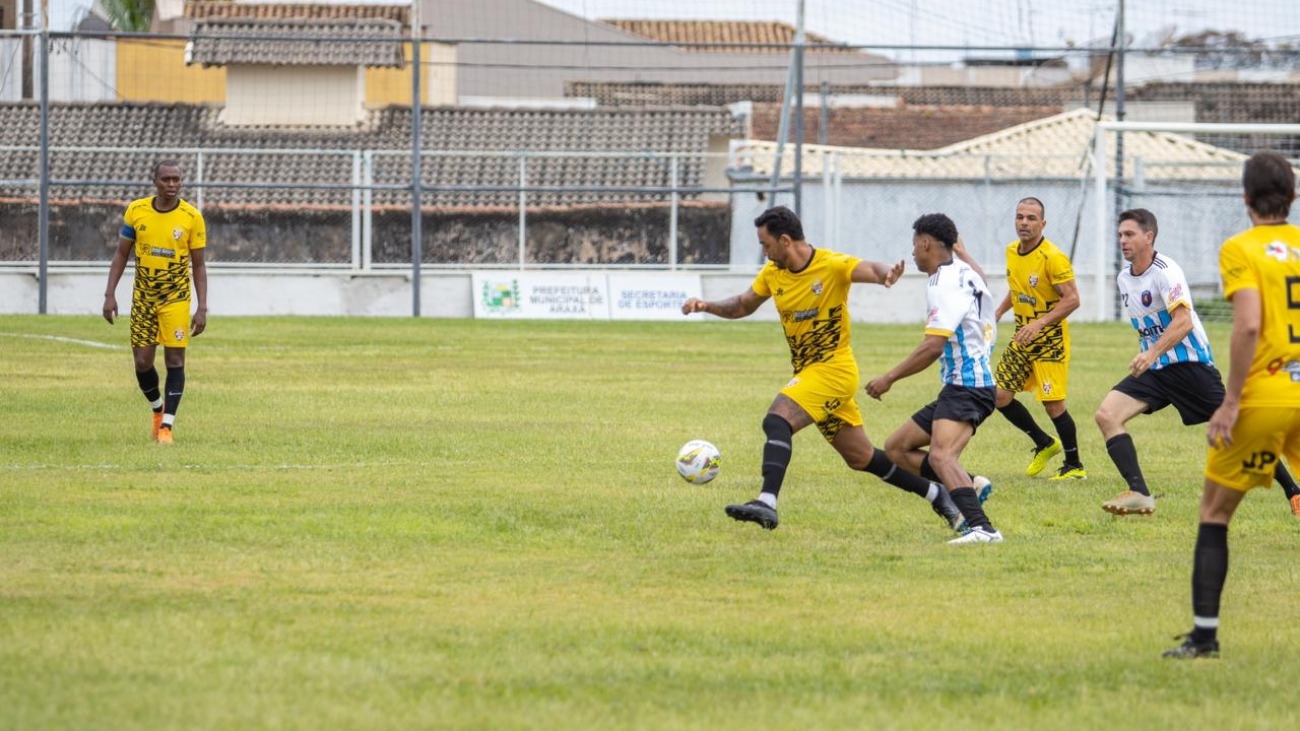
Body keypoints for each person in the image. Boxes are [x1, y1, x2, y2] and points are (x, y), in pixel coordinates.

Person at [680, 205, 968, 532]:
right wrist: (706, 306)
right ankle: (936, 494)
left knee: (777, 420)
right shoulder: (773, 274)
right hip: (810, 374)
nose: (764, 252)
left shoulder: (830, 265)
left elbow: (869, 268)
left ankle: (766, 502)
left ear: (785, 240)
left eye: (766, 244)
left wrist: (885, 273)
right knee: (861, 457)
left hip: (833, 370)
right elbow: (743, 305)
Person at [1164, 151, 1300, 660]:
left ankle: (1204, 636)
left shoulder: (1241, 249)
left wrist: (1232, 401)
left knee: (1215, 513)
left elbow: (1246, 324)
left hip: (1266, 395)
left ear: (1245, 199)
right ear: (1293, 195)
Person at [1095, 208, 1300, 517]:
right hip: (1157, 372)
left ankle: (1294, 492)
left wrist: (1150, 354)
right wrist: (1151, 356)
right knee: (1107, 415)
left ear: (1148, 237)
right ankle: (1140, 493)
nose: (1122, 240)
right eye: (1120, 235)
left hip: (1190, 368)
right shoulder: (1125, 278)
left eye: (1129, 234)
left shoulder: (1166, 271)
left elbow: (1183, 322)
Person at [867, 213, 1003, 544]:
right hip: (961, 385)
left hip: (968, 386)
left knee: (942, 457)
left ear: (927, 244)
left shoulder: (942, 283)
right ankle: (970, 483)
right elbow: (981, 278)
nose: (913, 252)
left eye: (915, 245)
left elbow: (932, 347)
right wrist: (963, 250)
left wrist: (889, 378)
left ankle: (983, 529)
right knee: (897, 448)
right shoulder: (964, 271)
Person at [102, 160, 208, 445]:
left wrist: (202, 307)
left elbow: (198, 265)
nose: (172, 185)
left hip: (176, 298)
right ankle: (157, 411)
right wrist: (109, 293)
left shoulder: (191, 216)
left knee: (175, 360)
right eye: (166, 179)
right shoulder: (136, 211)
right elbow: (122, 254)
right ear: (155, 181)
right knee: (142, 362)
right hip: (144, 299)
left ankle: (167, 428)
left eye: (176, 179)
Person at [992, 197, 1086, 480]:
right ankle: (1044, 443)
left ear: (1042, 224)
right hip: (1023, 335)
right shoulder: (1011, 251)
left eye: (1031, 218)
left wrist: (1040, 323)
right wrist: (995, 314)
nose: (1024, 222)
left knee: (1052, 404)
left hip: (1049, 338)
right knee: (998, 396)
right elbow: (1016, 288)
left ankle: (1074, 466)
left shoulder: (1053, 258)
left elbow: (1072, 299)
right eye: (1020, 216)